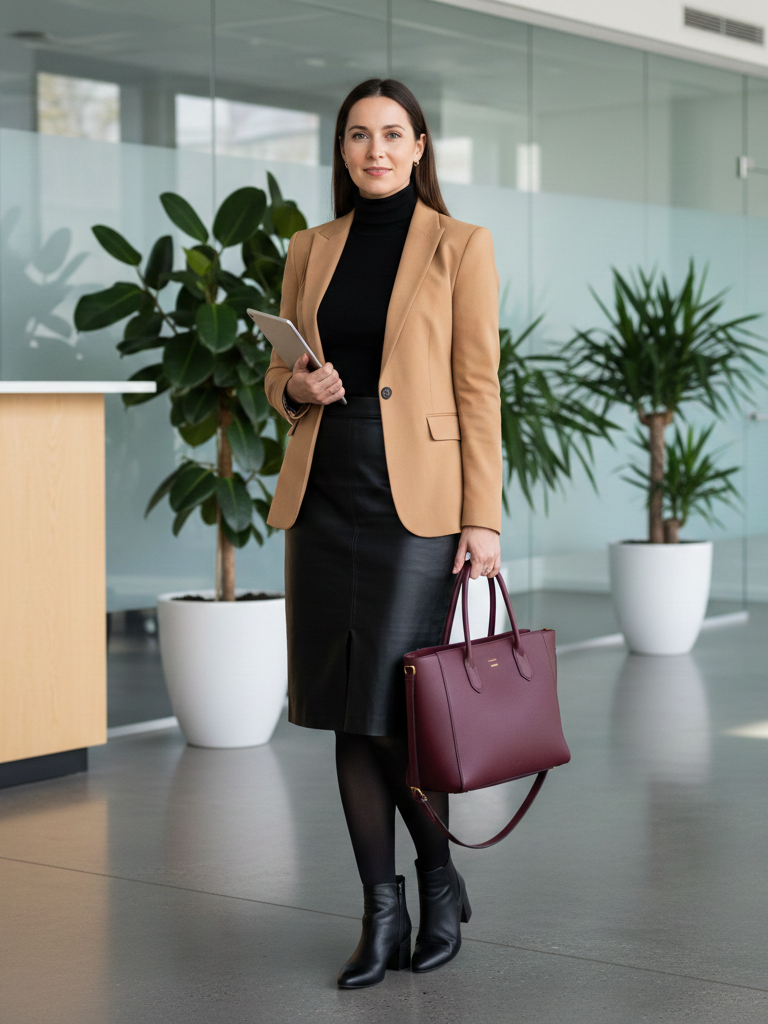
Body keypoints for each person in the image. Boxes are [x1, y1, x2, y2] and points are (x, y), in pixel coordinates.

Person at [264, 77, 502, 989]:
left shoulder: (460, 245)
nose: (375, 150)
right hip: (325, 492)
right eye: (358, 135)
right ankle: (381, 910)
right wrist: (298, 388)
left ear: (420, 146)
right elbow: (280, 380)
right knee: (343, 711)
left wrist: (481, 515)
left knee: (395, 709)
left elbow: (478, 387)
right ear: (342, 150)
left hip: (418, 502)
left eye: (392, 134)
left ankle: (439, 884)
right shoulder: (309, 247)